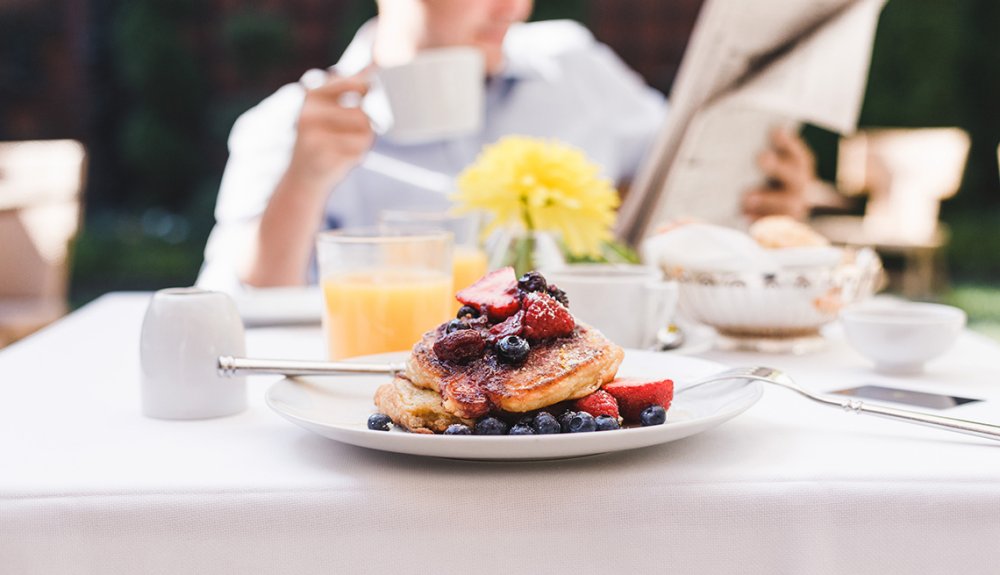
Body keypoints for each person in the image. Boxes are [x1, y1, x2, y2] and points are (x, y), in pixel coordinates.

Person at [197, 0, 815, 292]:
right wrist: (304, 182)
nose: (510, 7)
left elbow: (683, 176)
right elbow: (239, 309)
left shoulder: (573, 65)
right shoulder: (289, 127)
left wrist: (765, 196)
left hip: (578, 409)